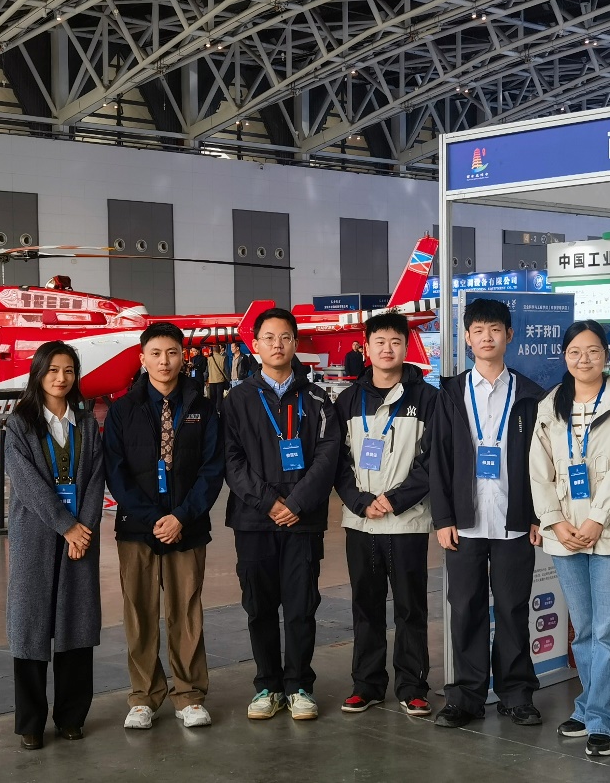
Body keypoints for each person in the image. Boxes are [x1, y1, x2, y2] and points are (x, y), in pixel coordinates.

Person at [529, 320, 610, 758]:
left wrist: (598, 519)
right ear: (564, 356)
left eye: (593, 351)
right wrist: (554, 521)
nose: (584, 360)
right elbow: (539, 470)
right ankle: (587, 707)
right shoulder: (550, 406)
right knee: (583, 629)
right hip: (565, 531)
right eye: (575, 352)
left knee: (606, 630)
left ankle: (603, 720)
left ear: (606, 354)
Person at [221, 307, 342, 722]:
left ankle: (299, 685)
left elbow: (328, 456)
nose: (277, 345)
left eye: (285, 337)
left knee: (301, 605)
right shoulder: (237, 400)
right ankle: (268, 686)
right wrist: (269, 503)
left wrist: (296, 504)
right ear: (255, 345)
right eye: (269, 338)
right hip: (253, 521)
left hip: (302, 521)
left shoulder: (318, 398)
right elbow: (231, 460)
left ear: (295, 343)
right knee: (259, 607)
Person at [429, 297, 545, 730]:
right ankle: (466, 698)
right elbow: (438, 459)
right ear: (467, 337)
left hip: (514, 521)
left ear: (508, 335)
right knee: (466, 609)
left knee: (513, 609)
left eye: (495, 329)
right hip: (465, 522)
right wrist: (443, 518)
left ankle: (516, 694)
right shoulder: (450, 394)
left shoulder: (530, 394)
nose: (487, 337)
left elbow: (542, 462)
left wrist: (537, 515)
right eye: (478, 330)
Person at [104, 323, 224, 731]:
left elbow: (212, 469)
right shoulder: (122, 410)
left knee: (185, 612)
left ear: (182, 357)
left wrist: (181, 517)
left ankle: (189, 696)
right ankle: (143, 697)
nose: (164, 361)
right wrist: (153, 518)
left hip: (187, 527)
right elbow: (116, 472)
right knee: (139, 613)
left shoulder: (202, 408)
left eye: (172, 352)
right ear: (142, 359)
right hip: (137, 529)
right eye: (155, 353)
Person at [333, 313, 439, 717]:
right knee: (366, 606)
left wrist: (395, 500)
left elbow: (433, 459)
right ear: (366, 347)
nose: (387, 349)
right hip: (362, 522)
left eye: (395, 341)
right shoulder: (348, 400)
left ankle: (412, 686)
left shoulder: (427, 399)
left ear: (406, 346)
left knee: (411, 608)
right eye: (379, 341)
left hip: (407, 521)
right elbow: (336, 461)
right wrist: (360, 501)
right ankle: (367, 685)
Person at [4, 341, 106, 750]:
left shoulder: (87, 422)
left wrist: (84, 529)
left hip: (81, 536)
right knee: (30, 626)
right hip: (35, 535)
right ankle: (30, 722)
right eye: (52, 370)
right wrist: (66, 526)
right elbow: (25, 481)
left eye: (68, 370)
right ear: (38, 374)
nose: (61, 378)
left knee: (75, 624)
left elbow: (96, 478)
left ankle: (71, 717)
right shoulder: (20, 423)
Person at [206, 344, 228, 411]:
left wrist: (205, 379)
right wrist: (228, 379)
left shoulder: (209, 359)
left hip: (212, 380)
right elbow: (226, 370)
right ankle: (219, 410)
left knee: (213, 397)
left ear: (213, 351)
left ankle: (213, 410)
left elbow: (207, 371)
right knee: (219, 397)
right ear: (219, 350)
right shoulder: (223, 358)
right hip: (220, 380)